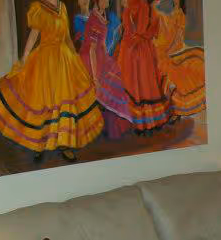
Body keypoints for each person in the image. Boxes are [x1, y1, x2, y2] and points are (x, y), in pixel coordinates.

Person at [0, 0, 102, 162]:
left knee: (64, 100)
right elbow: (33, 35)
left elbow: (67, 38)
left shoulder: (62, 7)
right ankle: (39, 143)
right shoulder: (39, 8)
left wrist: (75, 58)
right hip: (45, 61)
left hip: (64, 61)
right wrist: (24, 59)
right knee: (42, 101)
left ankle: (64, 144)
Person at [80, 0, 132, 139]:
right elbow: (91, 50)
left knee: (119, 81)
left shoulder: (103, 16)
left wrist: (108, 58)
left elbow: (102, 44)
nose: (107, 1)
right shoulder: (94, 19)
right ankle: (110, 127)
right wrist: (95, 78)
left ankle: (114, 126)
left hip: (102, 56)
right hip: (91, 59)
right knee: (109, 86)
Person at [117, 0, 172, 133]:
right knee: (145, 85)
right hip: (143, 49)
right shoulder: (148, 9)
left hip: (136, 50)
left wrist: (129, 41)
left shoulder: (139, 6)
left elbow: (139, 30)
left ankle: (142, 123)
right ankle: (148, 121)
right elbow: (150, 31)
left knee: (140, 86)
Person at [154, 0, 206, 117]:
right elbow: (158, 44)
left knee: (199, 66)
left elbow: (179, 40)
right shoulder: (156, 11)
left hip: (176, 53)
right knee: (181, 83)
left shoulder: (177, 9)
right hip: (160, 57)